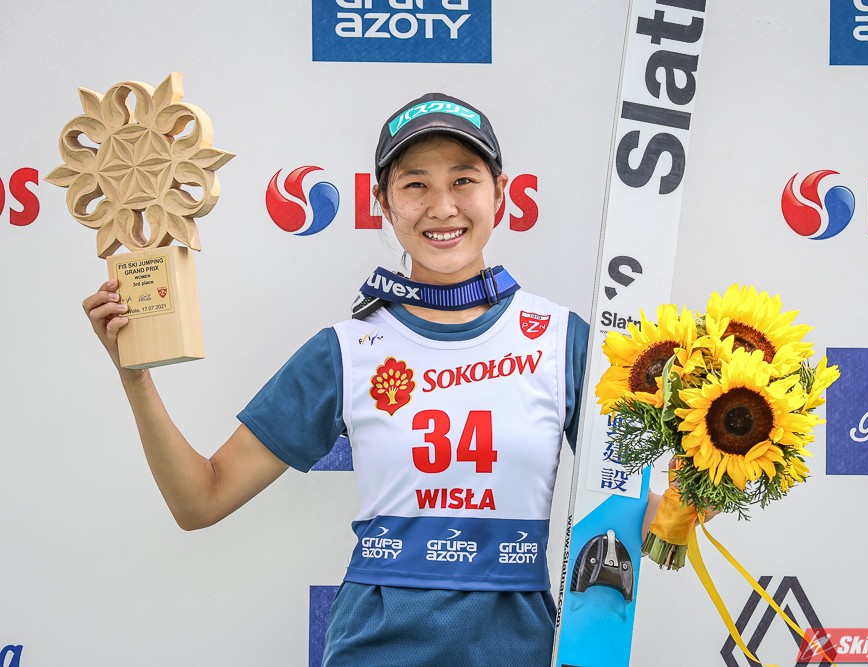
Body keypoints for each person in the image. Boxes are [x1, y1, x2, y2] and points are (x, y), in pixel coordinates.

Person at [83, 92, 597, 665]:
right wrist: (135, 378)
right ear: (383, 203)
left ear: (500, 193)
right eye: (416, 184)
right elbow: (199, 501)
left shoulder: (561, 340)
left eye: (463, 180)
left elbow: (633, 504)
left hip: (518, 649)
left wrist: (679, 478)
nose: (442, 206)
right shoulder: (346, 350)